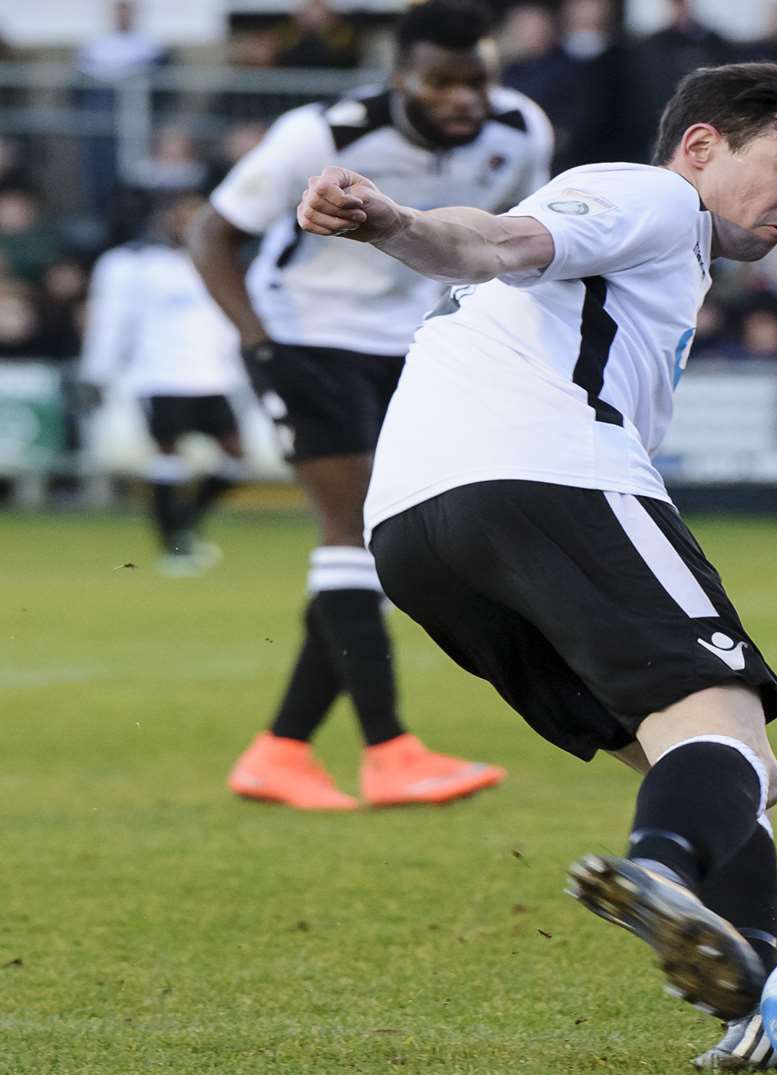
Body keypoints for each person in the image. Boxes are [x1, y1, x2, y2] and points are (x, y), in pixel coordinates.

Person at [292, 63, 777, 1070]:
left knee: (729, 770)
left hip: (415, 535)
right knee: (726, 737)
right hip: (544, 477)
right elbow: (501, 241)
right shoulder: (654, 199)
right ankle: (661, 876)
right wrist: (390, 221)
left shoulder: (667, 255)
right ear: (702, 147)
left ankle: (752, 1005)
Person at [192, 0, 553, 811]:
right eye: (443, 83)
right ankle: (388, 750)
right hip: (305, 337)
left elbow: (518, 239)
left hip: (421, 348)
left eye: (479, 82)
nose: (464, 100)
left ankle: (281, 749)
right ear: (401, 79)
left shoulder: (523, 130)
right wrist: (260, 345)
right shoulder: (321, 134)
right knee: (353, 533)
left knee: (375, 546)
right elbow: (210, 236)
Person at [78, 192, 249, 576]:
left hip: (212, 377)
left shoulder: (217, 260)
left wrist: (240, 369)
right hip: (159, 376)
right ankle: (172, 544)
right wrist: (98, 373)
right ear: (164, 218)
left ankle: (185, 521)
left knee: (237, 459)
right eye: (181, 215)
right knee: (168, 459)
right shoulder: (132, 264)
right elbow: (110, 322)